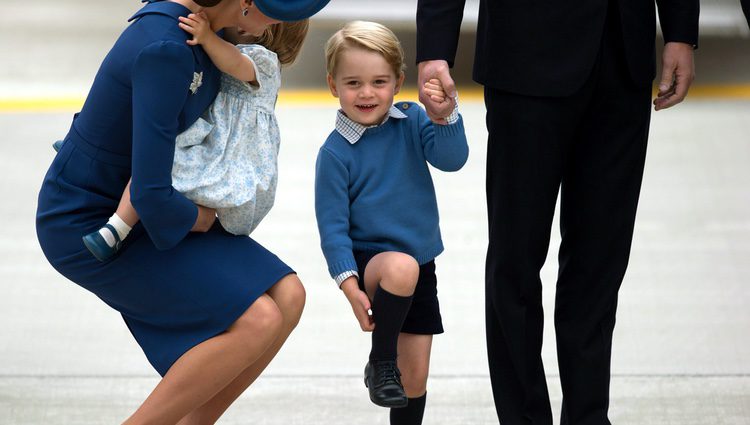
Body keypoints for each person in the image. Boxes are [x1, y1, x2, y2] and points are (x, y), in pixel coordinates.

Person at [35, 0, 328, 423]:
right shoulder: (169, 48)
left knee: (289, 295)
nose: (282, 21)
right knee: (258, 319)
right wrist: (203, 220)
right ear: (245, 4)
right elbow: (151, 193)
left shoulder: (205, 37)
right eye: (277, 8)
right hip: (92, 218)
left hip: (156, 199)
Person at [416, 0, 698, 423]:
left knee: (600, 264)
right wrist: (435, 47)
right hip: (524, 54)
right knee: (516, 262)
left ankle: (587, 416)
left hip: (621, 56)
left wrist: (680, 30)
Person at [314, 21, 468, 425]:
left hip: (421, 266)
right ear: (333, 85)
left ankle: (390, 375)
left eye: (379, 81)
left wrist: (444, 114)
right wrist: (349, 285)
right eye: (353, 83)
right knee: (401, 267)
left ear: (399, 82)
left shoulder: (413, 121)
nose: (366, 93)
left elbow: (453, 160)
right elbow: (332, 229)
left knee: (414, 379)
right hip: (373, 266)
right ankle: (380, 360)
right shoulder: (334, 155)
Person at [78, 13, 309, 261]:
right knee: (159, 155)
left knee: (160, 162)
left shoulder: (263, 61)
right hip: (215, 138)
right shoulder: (242, 52)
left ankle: (116, 229)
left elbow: (234, 63)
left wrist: (208, 37)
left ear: (262, 30)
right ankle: (94, 152)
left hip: (225, 150)